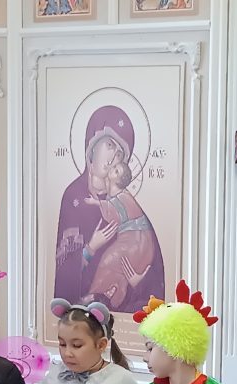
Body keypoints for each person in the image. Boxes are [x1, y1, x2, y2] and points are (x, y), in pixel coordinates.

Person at [55, 105, 165, 313]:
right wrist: (90, 248)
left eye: (120, 153)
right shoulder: (73, 197)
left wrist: (138, 280)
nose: (114, 156)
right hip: (80, 319)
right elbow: (61, 271)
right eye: (109, 144)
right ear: (92, 145)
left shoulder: (129, 204)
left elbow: (153, 267)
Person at [82, 161, 156, 308]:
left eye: (116, 170)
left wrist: (96, 203)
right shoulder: (114, 196)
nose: (112, 167)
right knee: (118, 271)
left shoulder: (123, 196)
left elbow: (113, 211)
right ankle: (113, 296)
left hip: (135, 243)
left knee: (108, 261)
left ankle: (93, 296)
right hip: (135, 245)